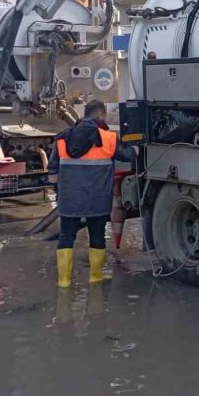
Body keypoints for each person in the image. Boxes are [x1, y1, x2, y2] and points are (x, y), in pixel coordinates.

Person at [48, 100, 134, 288]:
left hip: (70, 198)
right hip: (98, 198)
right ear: (101, 115)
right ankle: (96, 278)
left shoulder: (62, 139)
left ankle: (64, 281)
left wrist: (58, 192)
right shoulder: (109, 138)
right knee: (97, 236)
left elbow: (52, 170)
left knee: (66, 236)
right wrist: (135, 145)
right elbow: (128, 155)